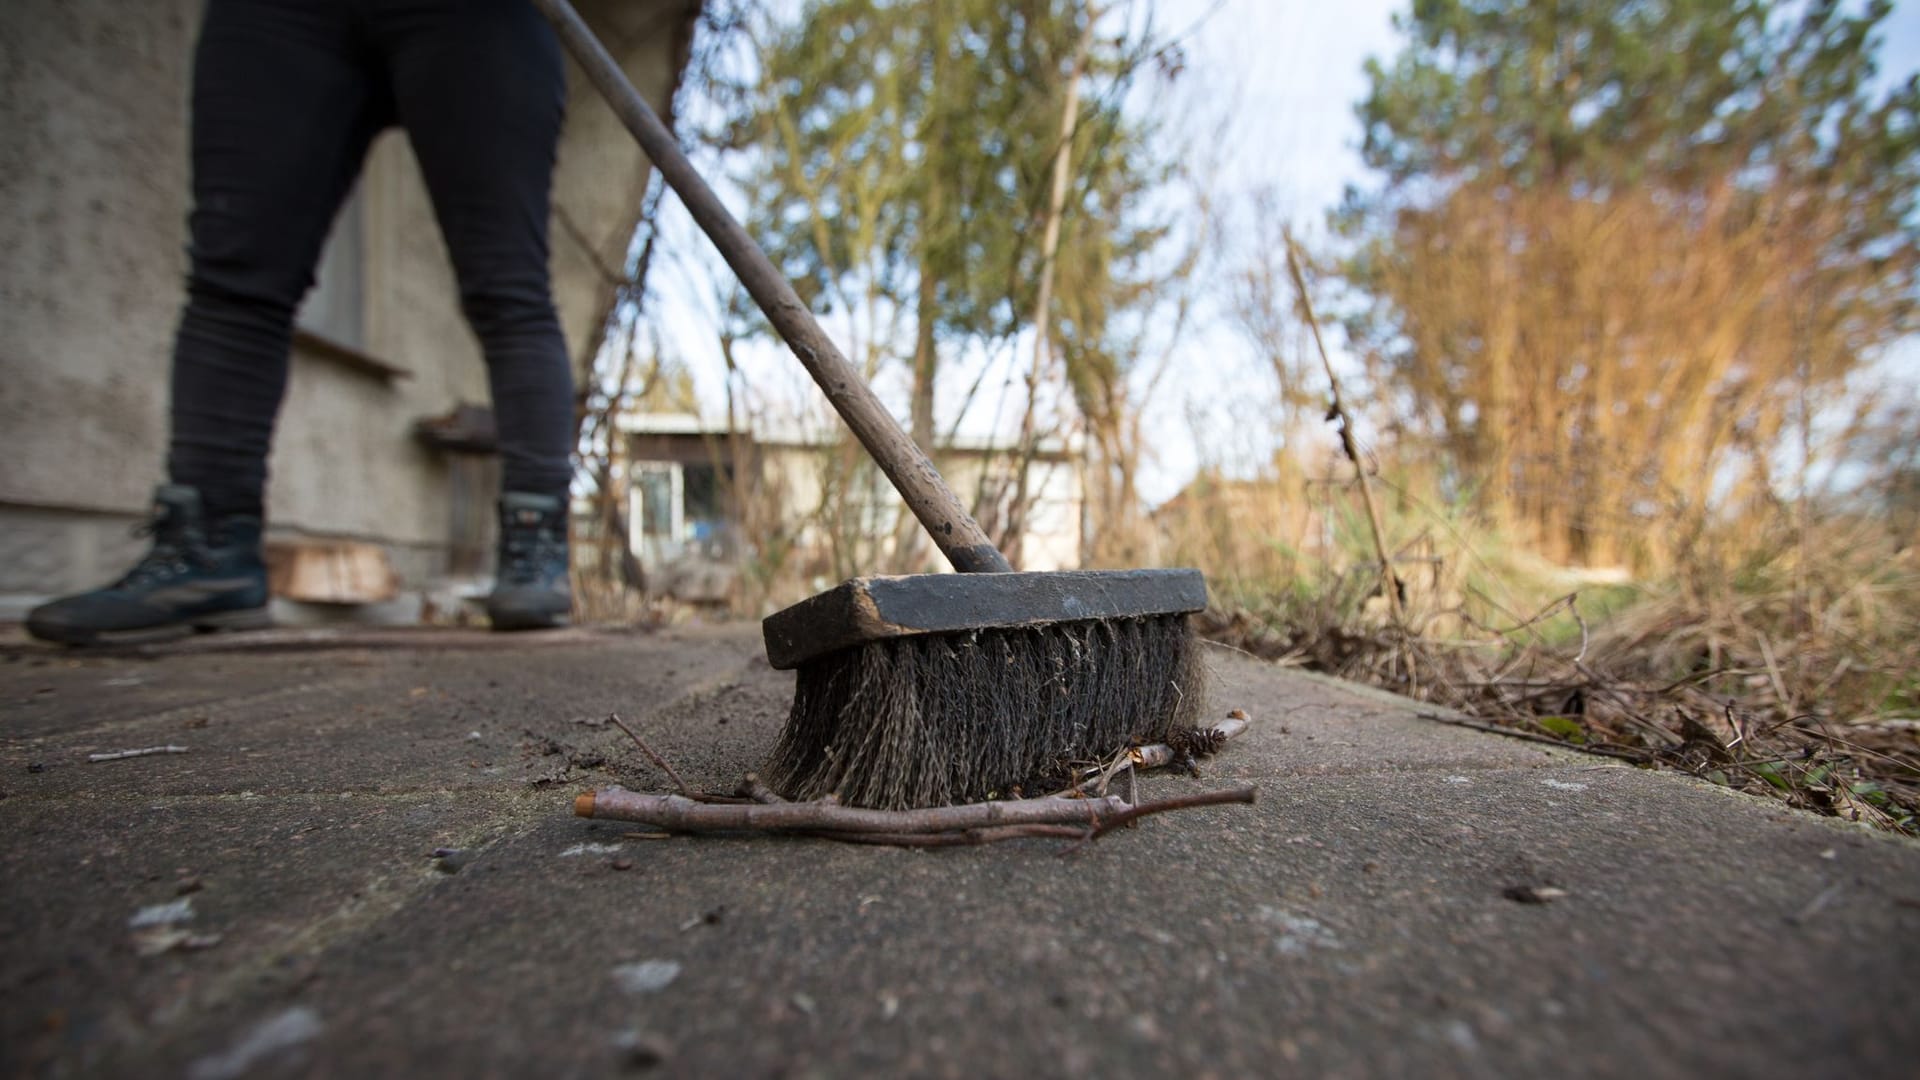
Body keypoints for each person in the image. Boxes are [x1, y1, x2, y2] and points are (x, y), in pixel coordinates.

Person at [27, 0, 576, 645]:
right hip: (281, 15)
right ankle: (206, 550)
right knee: (236, 279)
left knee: (509, 288)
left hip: (477, 16)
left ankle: (534, 547)